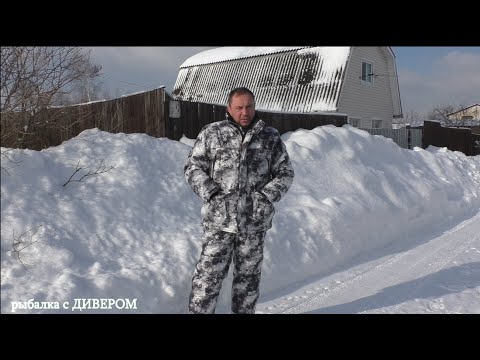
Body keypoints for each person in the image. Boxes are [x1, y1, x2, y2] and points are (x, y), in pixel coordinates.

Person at [184, 87, 295, 314]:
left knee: (248, 283)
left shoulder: (269, 137)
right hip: (219, 223)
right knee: (207, 280)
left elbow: (285, 173)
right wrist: (212, 194)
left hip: (253, 225)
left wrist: (265, 198)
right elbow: (193, 168)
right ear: (229, 108)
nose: (245, 112)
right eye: (239, 107)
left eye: (249, 106)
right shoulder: (212, 133)